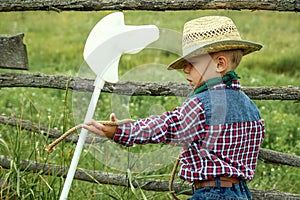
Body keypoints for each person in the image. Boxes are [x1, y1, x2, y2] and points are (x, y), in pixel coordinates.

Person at [83, 16, 265, 200]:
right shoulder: (251, 108)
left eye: (192, 63)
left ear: (220, 64)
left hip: (211, 193)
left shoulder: (200, 104)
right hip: (241, 193)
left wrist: (120, 131)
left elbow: (167, 126)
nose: (185, 69)